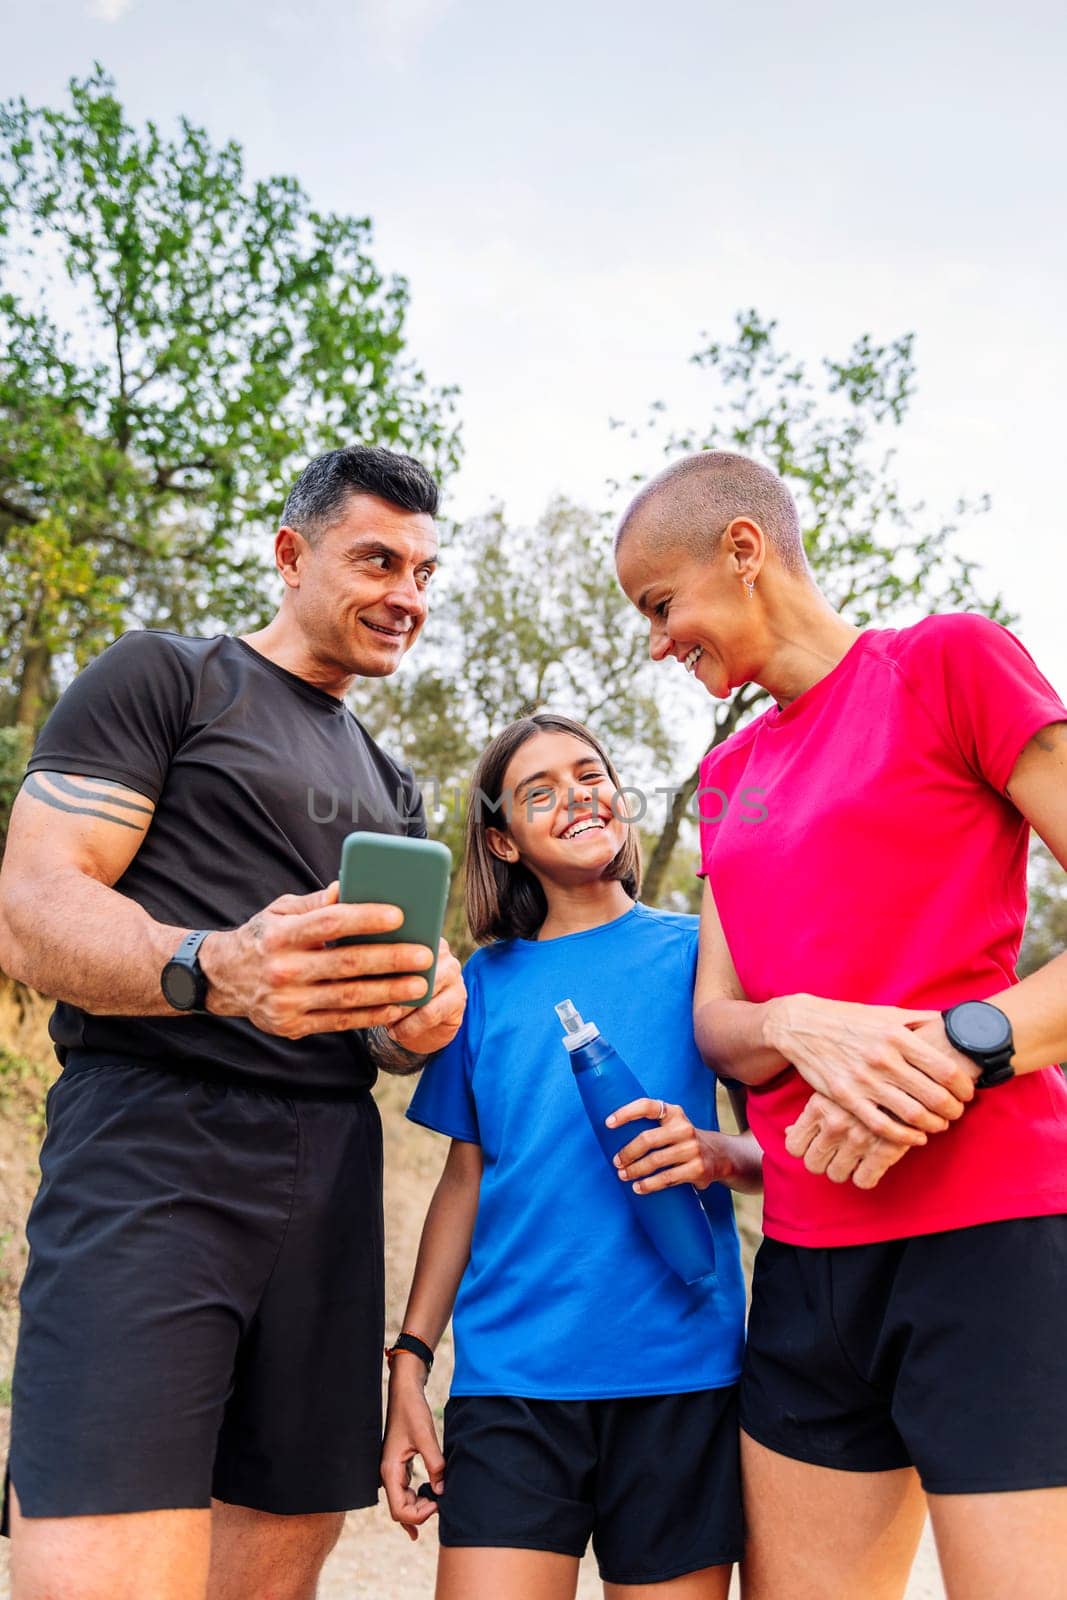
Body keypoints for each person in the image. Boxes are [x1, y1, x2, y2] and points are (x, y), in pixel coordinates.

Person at [0, 445, 467, 1600]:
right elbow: (31, 905)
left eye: (422, 569)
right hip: (151, 1146)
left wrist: (417, 1015)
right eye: (376, 558)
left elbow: (373, 1013)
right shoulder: (167, 677)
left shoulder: (392, 781)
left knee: (272, 1566)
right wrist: (212, 964)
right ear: (290, 553)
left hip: (329, 1173)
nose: (406, 592)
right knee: (101, 1558)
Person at [613, 450, 1067, 1600]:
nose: (657, 641)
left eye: (659, 605)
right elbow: (719, 1023)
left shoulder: (947, 664)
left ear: (743, 550)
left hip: (992, 1240)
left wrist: (956, 1048)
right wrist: (798, 1023)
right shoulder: (726, 775)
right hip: (807, 1267)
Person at [380, 712, 762, 1600]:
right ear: (503, 842)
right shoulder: (482, 984)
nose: (576, 798)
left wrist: (712, 1154)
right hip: (513, 1386)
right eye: (538, 792)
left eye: (589, 775)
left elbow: (778, 1150)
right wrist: (408, 1365)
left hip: (683, 1375)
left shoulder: (704, 954)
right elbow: (463, 1181)